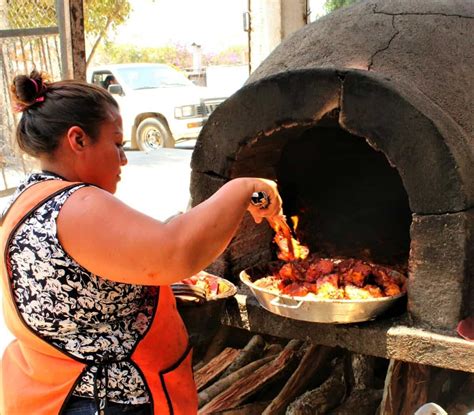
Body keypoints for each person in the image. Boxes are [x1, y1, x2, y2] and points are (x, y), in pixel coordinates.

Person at [0, 70, 283, 415]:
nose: (123, 158)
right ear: (78, 140)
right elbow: (177, 252)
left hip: (57, 391)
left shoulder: (33, 197)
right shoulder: (76, 204)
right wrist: (241, 188)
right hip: (105, 402)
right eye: (117, 143)